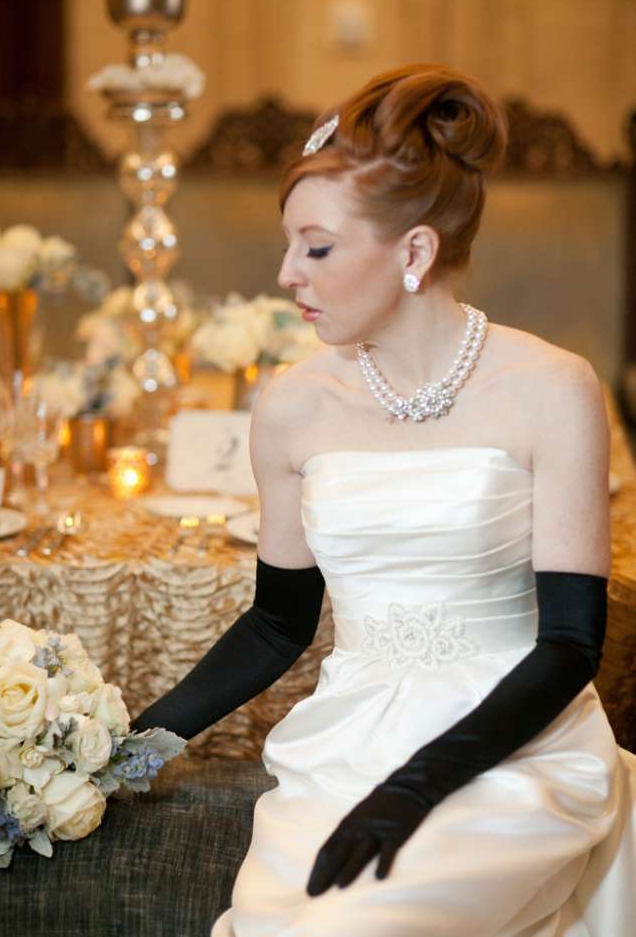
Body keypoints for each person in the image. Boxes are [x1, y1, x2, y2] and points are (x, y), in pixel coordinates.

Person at [131, 63, 636, 936]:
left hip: (514, 750)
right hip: (349, 747)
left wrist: (421, 785)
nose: (287, 273)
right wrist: (132, 746)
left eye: (317, 248)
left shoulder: (554, 387)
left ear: (414, 251)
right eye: (289, 243)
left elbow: (569, 642)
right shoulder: (292, 404)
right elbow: (276, 625)